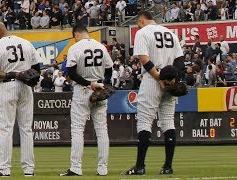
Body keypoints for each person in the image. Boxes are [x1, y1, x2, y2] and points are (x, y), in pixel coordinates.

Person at [121, 10, 184, 176]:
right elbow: (180, 61)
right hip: (170, 83)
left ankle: (140, 166)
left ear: (141, 20)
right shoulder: (170, 33)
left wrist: (159, 78)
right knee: (168, 122)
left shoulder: (142, 32)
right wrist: (171, 80)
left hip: (151, 80)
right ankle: (168, 166)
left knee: (144, 123)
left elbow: (144, 59)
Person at [0, 21, 42, 177]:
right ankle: (29, 169)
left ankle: (4, 169)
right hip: (25, 87)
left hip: (8, 86)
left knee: (6, 129)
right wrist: (29, 78)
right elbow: (37, 68)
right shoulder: (25, 42)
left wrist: (12, 74)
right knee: (26, 129)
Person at [59, 25, 113, 176]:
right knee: (102, 130)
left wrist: (89, 84)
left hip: (83, 89)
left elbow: (72, 74)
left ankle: (76, 168)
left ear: (76, 34)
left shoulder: (75, 48)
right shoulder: (101, 47)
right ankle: (103, 169)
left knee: (77, 130)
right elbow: (109, 70)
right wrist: (102, 85)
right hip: (99, 88)